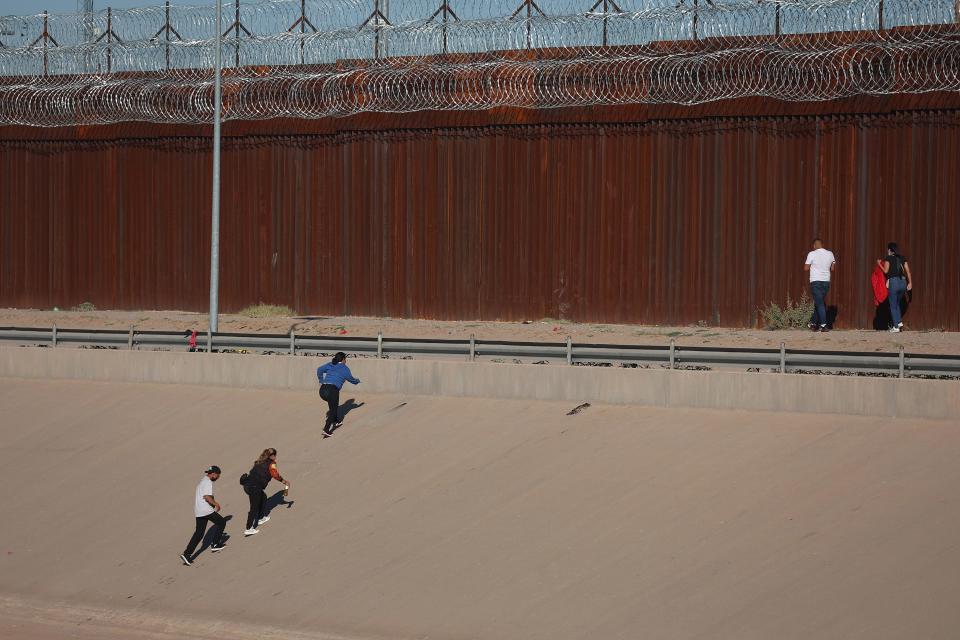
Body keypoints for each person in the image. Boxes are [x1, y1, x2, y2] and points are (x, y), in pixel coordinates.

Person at [180, 465, 226, 565]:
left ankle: (187, 554)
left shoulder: (203, 481)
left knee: (199, 533)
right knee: (222, 522)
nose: (218, 477)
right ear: (213, 474)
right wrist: (216, 504)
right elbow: (206, 497)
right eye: (218, 475)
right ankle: (215, 544)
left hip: (199, 511)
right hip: (205, 510)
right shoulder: (208, 482)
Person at [242, 448, 289, 536]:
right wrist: (284, 481)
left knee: (263, 498)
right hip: (255, 487)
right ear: (272, 456)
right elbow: (274, 474)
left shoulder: (259, 461)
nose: (275, 457)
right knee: (254, 507)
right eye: (275, 455)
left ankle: (260, 518)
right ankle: (248, 528)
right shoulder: (271, 463)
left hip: (248, 485)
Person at [316, 351, 360, 436]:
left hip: (322, 390)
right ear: (343, 359)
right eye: (345, 359)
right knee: (333, 410)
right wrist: (357, 381)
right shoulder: (345, 368)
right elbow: (351, 379)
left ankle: (336, 421)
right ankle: (326, 429)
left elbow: (319, 369)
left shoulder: (330, 364)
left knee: (333, 406)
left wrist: (321, 380)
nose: (346, 361)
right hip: (332, 390)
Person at [877, 242, 913, 332]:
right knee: (897, 303)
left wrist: (879, 264)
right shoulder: (902, 258)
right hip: (903, 282)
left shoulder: (888, 258)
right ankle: (899, 322)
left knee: (893, 305)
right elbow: (908, 271)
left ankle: (896, 327)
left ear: (889, 250)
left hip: (894, 282)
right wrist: (910, 283)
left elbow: (886, 271)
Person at [804, 238, 836, 332]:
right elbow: (832, 268)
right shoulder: (830, 254)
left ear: (814, 246)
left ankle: (823, 325)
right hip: (826, 281)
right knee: (818, 303)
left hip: (816, 281)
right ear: (822, 244)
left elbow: (806, 268)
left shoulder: (812, 253)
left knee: (820, 304)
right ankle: (813, 324)